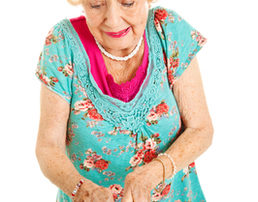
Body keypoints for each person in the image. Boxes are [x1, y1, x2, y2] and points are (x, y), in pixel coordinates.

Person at [34, 0, 214, 201]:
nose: (112, 20)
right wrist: (84, 191)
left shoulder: (167, 29)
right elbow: (48, 146)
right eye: (95, 5)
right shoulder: (62, 43)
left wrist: (152, 174)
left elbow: (200, 129)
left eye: (127, 3)